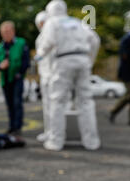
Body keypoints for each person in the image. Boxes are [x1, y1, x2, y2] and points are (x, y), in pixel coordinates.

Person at [36, 0, 101, 151]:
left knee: (57, 101)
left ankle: (56, 141)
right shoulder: (78, 22)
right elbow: (95, 39)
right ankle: (91, 141)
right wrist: (90, 60)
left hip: (64, 61)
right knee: (86, 101)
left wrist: (39, 56)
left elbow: (47, 43)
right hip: (83, 59)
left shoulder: (52, 23)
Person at [0, 21, 30, 138]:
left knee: (17, 102)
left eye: (8, 32)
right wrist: (0, 66)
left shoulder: (21, 43)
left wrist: (20, 73)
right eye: (4, 32)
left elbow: (26, 61)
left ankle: (17, 127)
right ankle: (11, 127)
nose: (6, 34)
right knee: (9, 104)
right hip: (5, 79)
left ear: (13, 31)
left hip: (17, 78)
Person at [34, 11, 51, 142]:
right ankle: (49, 131)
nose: (42, 25)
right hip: (45, 75)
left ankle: (56, 133)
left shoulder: (53, 35)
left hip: (55, 75)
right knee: (47, 106)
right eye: (40, 23)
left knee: (56, 106)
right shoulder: (40, 38)